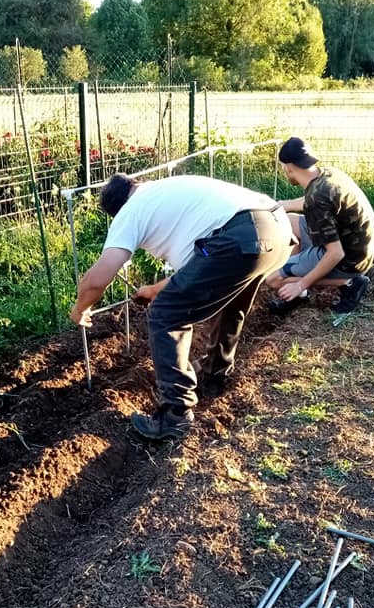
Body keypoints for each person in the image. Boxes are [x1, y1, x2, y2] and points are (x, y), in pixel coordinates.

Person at [69, 173, 295, 440]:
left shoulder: (129, 213)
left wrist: (80, 308)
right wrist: (154, 290)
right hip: (277, 228)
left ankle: (175, 414)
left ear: (115, 211)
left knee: (166, 314)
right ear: (135, 184)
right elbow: (198, 269)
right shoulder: (165, 191)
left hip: (241, 236)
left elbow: (97, 280)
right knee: (231, 304)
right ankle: (214, 373)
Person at [266, 137, 374, 318]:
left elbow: (335, 253)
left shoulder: (316, 199)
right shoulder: (327, 174)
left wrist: (301, 284)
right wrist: (285, 204)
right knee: (287, 221)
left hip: (351, 258)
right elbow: (315, 201)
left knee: (272, 278)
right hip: (362, 245)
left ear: (288, 167)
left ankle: (348, 282)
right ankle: (301, 285)